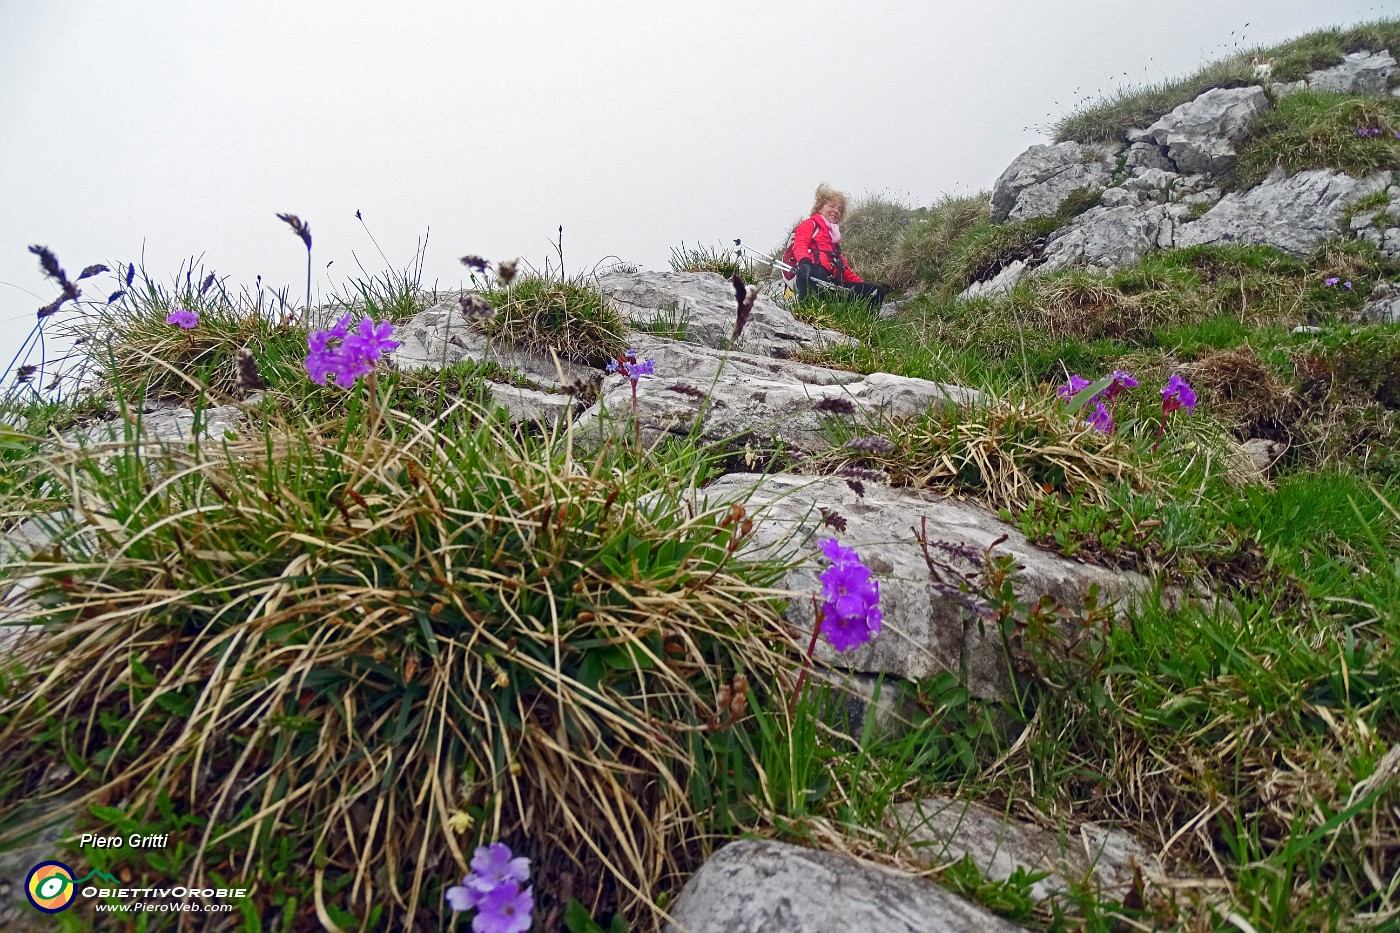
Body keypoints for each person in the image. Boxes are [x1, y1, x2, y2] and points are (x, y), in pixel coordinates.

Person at [791, 184, 888, 307]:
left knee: (876, 292)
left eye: (839, 209)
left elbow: (847, 273)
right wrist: (804, 263)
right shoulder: (810, 224)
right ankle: (807, 311)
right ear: (819, 208)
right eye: (831, 206)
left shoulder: (834, 244)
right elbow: (800, 244)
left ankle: (863, 325)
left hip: (831, 284)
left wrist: (870, 287)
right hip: (810, 276)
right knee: (816, 274)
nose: (836, 211)